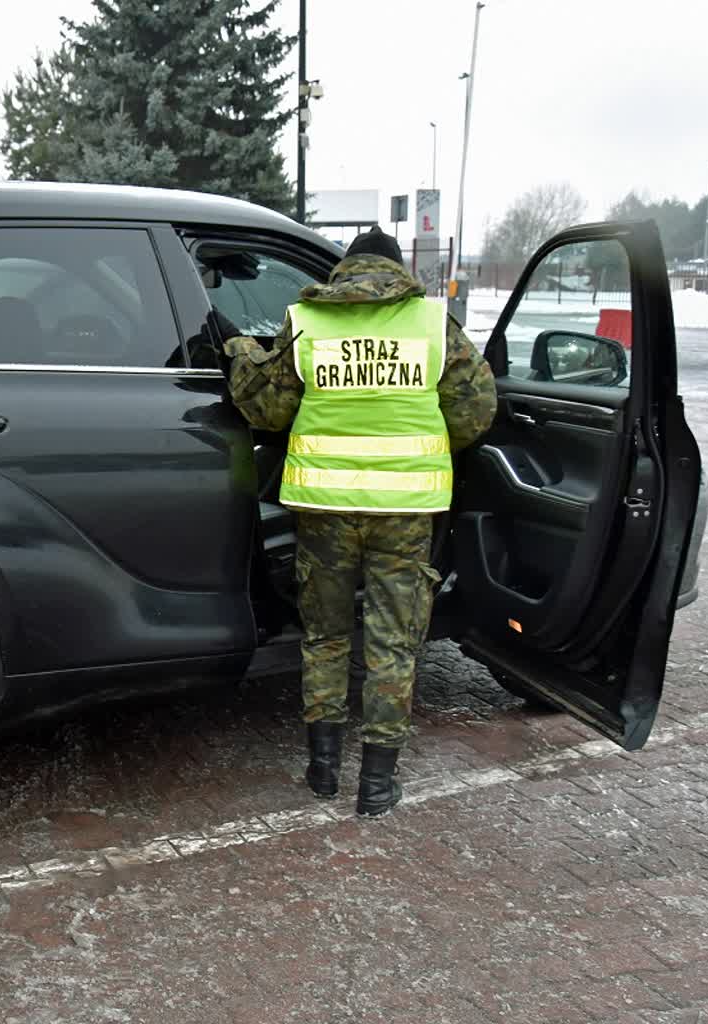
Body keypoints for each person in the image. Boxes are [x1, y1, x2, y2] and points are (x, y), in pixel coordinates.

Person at [219, 226, 497, 816]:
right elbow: (476, 412)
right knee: (393, 641)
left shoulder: (308, 322)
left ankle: (322, 770)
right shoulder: (430, 324)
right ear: (398, 270)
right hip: (403, 510)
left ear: (345, 269)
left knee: (325, 636)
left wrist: (240, 349)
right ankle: (376, 785)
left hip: (324, 509)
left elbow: (265, 407)